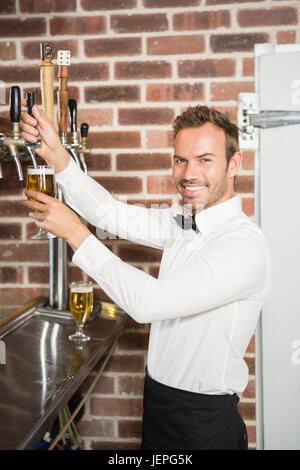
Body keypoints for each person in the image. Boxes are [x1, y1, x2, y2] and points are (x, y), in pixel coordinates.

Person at [20, 104, 272, 450]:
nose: (188, 173)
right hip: (158, 405)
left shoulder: (243, 247)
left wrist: (77, 234)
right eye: (180, 160)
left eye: (204, 160)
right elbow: (109, 213)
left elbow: (151, 304)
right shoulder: (187, 221)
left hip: (203, 424)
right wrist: (59, 157)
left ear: (234, 164)